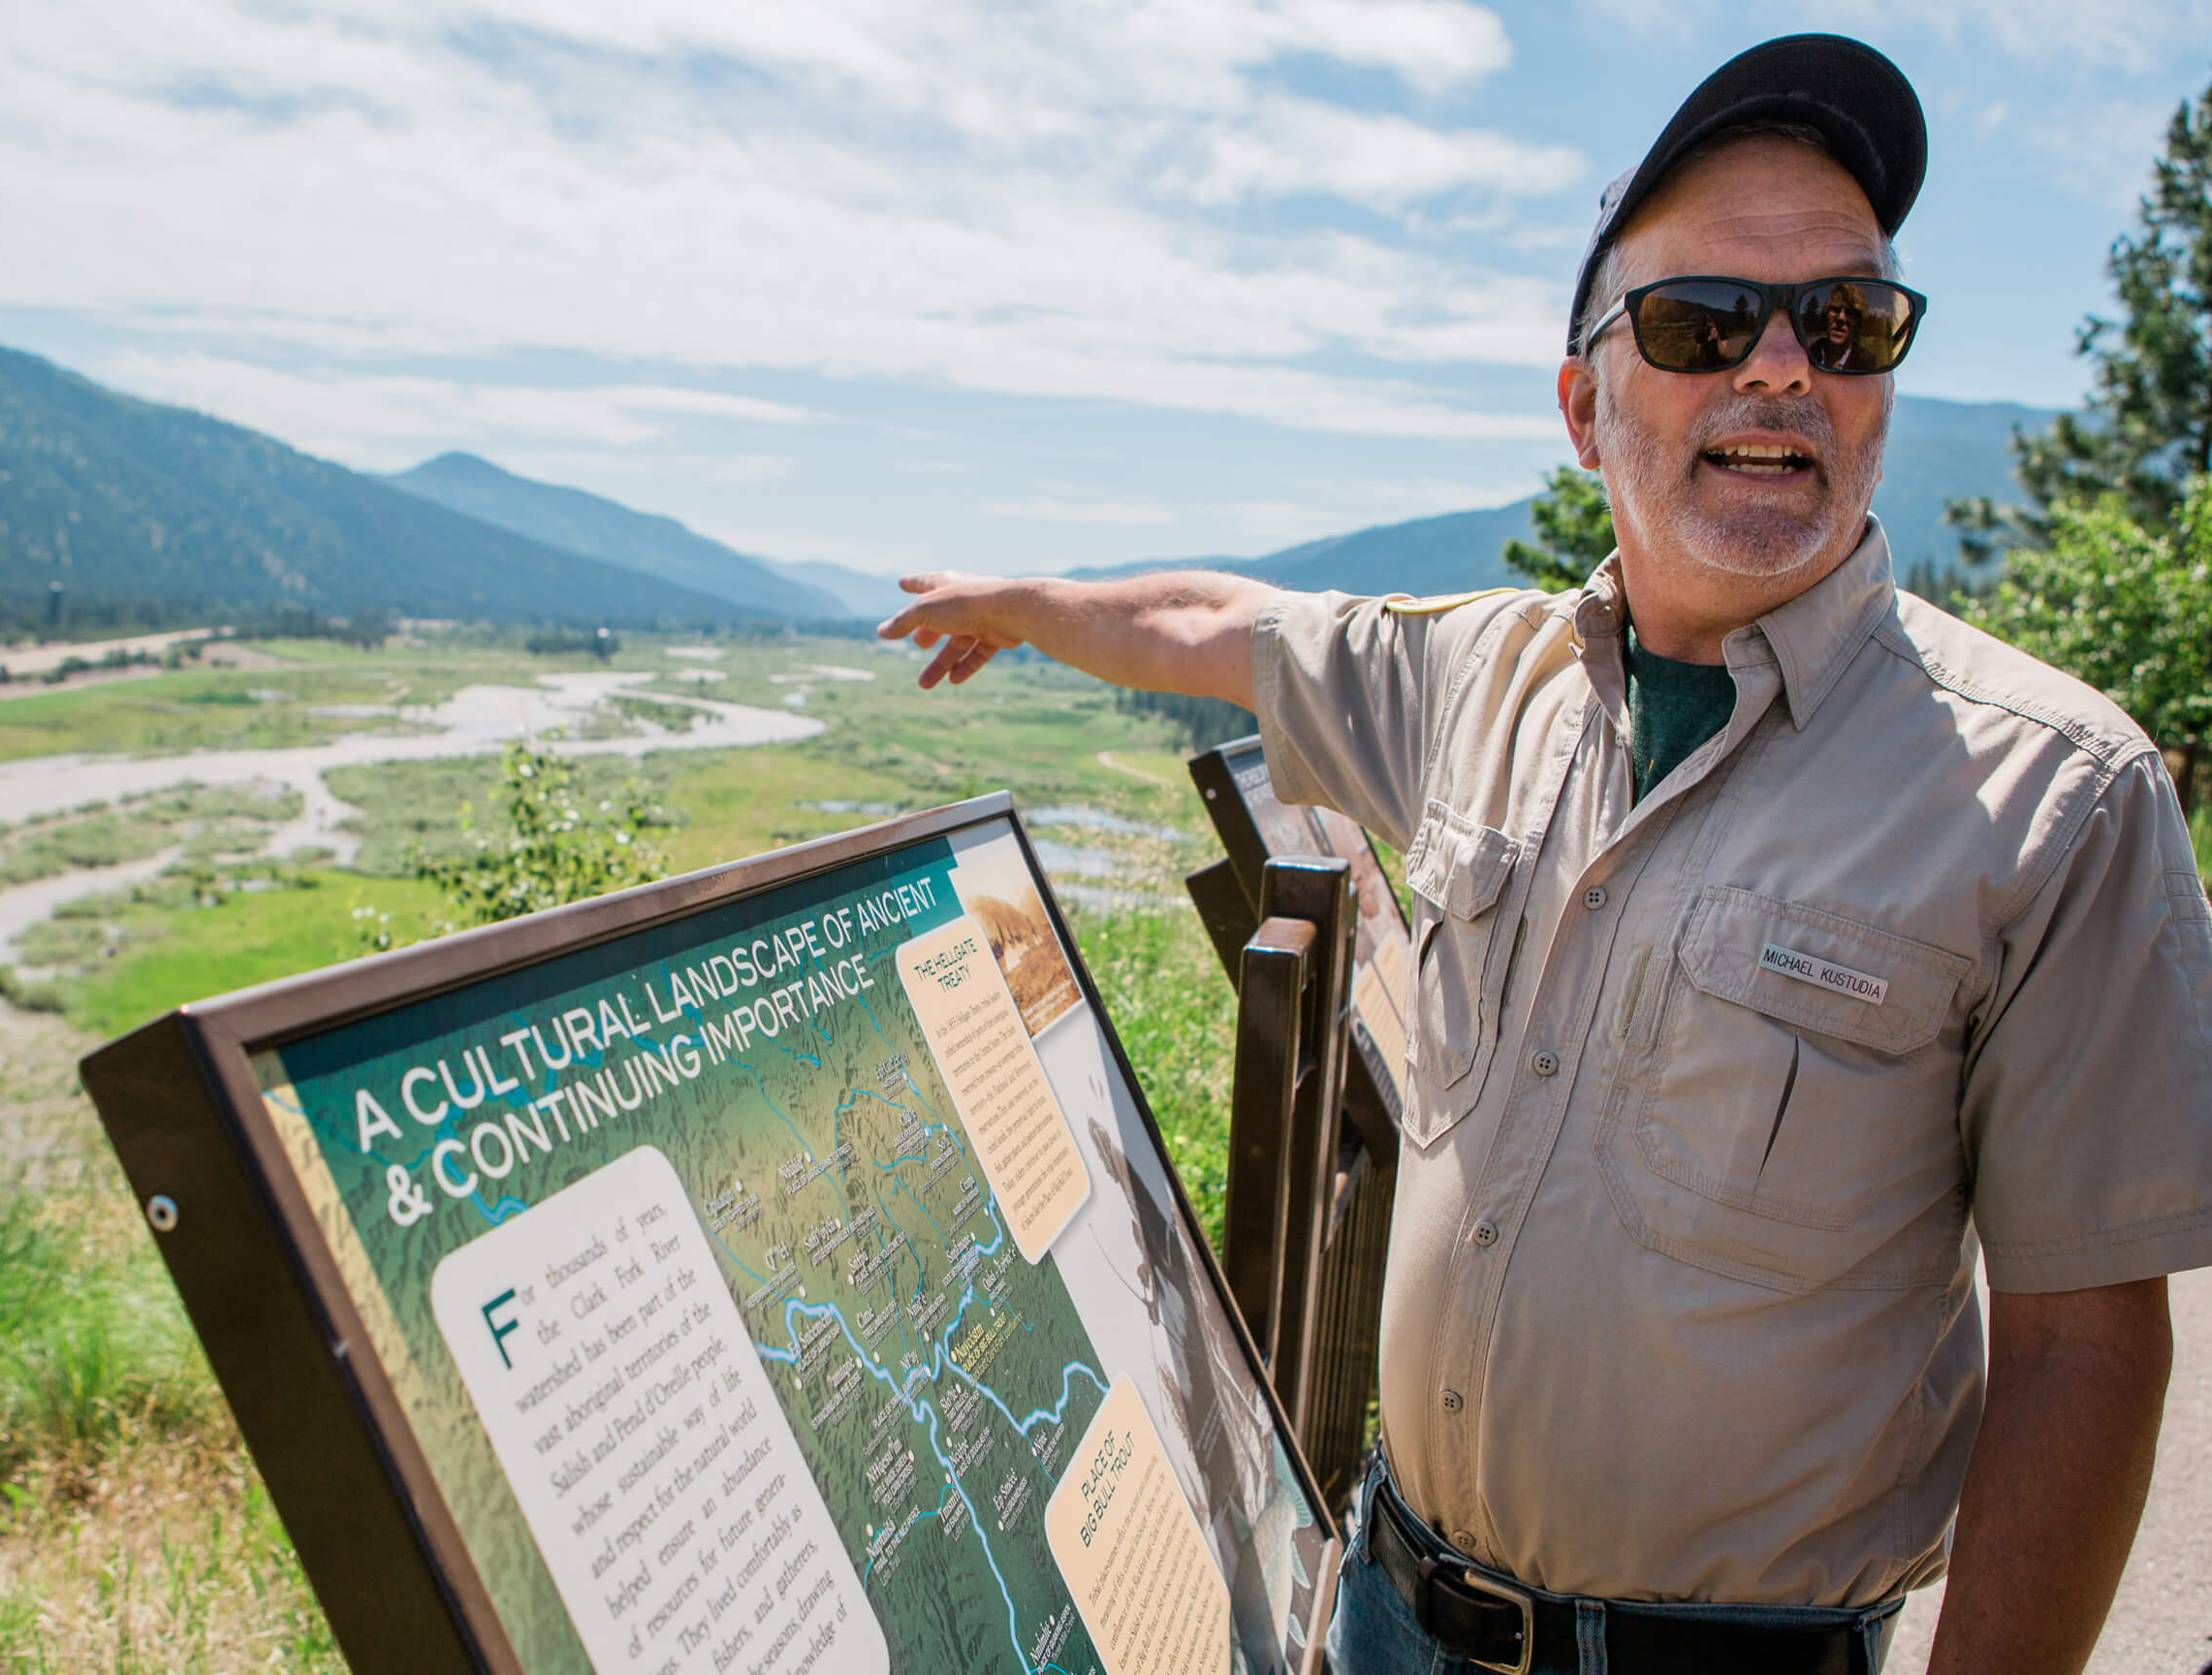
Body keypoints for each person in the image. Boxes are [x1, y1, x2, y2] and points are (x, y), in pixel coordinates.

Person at [877, 34, 2211, 1675]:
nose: (1784, 366)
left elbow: (2089, 1347)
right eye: (1704, 321)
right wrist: (1024, 607)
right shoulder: (1474, 681)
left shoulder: (2053, 797)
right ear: (1587, 403)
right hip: (1389, 1601)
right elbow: (1224, 624)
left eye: (1846, 322)